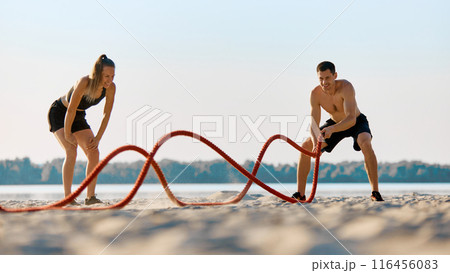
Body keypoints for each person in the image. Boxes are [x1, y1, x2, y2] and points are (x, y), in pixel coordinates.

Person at [295, 61, 384, 201]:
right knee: (305, 146)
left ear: (335, 75)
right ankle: (300, 194)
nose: (324, 82)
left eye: (327, 78)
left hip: (355, 121)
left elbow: (351, 119)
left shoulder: (346, 87)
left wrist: (333, 129)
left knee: (365, 142)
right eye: (321, 78)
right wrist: (314, 144)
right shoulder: (315, 94)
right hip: (334, 124)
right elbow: (313, 124)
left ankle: (375, 192)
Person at [47, 54, 116, 205]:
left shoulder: (110, 88)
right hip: (60, 113)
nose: (109, 80)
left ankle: (90, 197)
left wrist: (98, 138)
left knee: (94, 151)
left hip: (77, 116)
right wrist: (67, 134)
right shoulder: (84, 82)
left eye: (112, 76)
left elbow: (106, 114)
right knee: (71, 150)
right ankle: (68, 197)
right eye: (106, 76)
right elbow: (70, 110)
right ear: (97, 73)